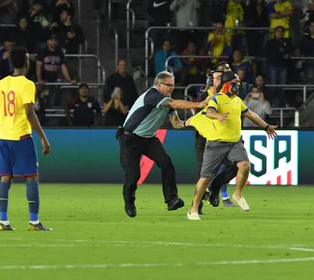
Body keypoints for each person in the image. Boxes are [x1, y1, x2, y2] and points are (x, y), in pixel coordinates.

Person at [116, 71, 211, 218]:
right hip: (130, 139)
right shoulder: (153, 95)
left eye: (173, 85)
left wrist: (195, 121)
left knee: (166, 162)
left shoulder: (166, 100)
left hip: (148, 139)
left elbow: (176, 123)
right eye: (169, 85)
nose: (172, 88)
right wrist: (199, 104)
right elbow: (174, 103)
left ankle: (172, 200)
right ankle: (129, 201)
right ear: (158, 84)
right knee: (134, 176)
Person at [187, 71, 277, 220]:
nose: (238, 86)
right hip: (216, 144)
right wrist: (219, 116)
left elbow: (251, 114)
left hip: (235, 142)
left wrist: (266, 126)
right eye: (236, 83)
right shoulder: (217, 98)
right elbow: (209, 112)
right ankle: (193, 209)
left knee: (245, 166)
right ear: (227, 84)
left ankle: (237, 194)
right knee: (205, 178)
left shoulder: (237, 100)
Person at [0, 47, 51, 232]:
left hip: (3, 137)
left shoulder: (1, 83)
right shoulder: (27, 84)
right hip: (21, 136)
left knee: (5, 178)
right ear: (27, 63)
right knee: (31, 176)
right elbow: (29, 112)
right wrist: (43, 137)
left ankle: (4, 221)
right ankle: (34, 222)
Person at [194, 62, 238, 212]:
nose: (221, 80)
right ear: (211, 80)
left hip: (222, 139)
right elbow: (199, 118)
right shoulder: (205, 96)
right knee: (203, 174)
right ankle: (197, 206)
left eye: (222, 77)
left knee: (235, 165)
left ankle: (215, 188)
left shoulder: (229, 96)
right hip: (204, 139)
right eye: (218, 78)